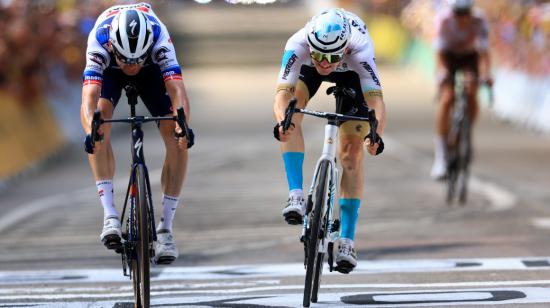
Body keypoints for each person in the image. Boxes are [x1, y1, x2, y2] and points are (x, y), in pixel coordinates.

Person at [272, 8, 386, 273]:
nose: (324, 63)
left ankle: (346, 239)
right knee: (291, 113)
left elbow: (376, 100)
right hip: (306, 71)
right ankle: (296, 194)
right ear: (310, 45)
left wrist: (375, 134)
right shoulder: (298, 43)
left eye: (330, 57)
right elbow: (281, 93)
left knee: (351, 153)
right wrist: (282, 120)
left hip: (352, 75)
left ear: (344, 49)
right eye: (319, 55)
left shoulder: (360, 49)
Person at [80, 3, 193, 265]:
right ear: (113, 48)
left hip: (152, 72)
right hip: (110, 73)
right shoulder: (100, 39)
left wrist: (182, 124)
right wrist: (91, 128)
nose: (131, 66)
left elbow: (177, 91)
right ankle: (109, 215)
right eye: (126, 59)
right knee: (99, 123)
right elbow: (89, 96)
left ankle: (165, 229)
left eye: (136, 60)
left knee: (178, 138)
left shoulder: (158, 36)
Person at [431, 0, 493, 180]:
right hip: (448, 57)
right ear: (452, 12)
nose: (461, 18)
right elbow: (439, 52)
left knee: (473, 92)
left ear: (471, 12)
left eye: (465, 13)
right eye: (458, 13)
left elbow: (484, 52)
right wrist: (442, 72)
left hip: (469, 57)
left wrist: (486, 74)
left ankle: (466, 131)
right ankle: (440, 156)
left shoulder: (479, 20)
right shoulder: (444, 19)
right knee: (447, 98)